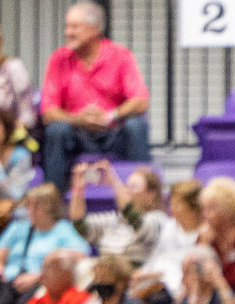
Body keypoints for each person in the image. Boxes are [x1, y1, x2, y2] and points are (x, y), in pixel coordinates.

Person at [38, 2, 151, 189]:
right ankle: (53, 203)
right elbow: (48, 112)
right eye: (67, 26)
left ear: (94, 29)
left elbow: (140, 101)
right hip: (76, 133)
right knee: (56, 130)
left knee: (135, 126)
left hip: (113, 131)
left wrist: (109, 116)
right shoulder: (58, 59)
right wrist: (78, 119)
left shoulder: (120, 56)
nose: (68, 32)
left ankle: (143, 198)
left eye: (75, 27)